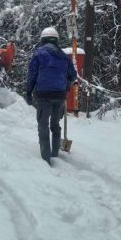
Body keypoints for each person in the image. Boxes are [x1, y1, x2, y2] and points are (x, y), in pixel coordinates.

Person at [26, 27, 77, 166]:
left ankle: (46, 158)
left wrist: (28, 92)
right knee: (55, 124)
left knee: (43, 125)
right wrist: (65, 86)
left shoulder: (39, 54)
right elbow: (73, 76)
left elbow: (32, 75)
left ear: (43, 39)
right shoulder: (63, 56)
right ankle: (55, 153)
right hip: (60, 96)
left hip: (43, 95)